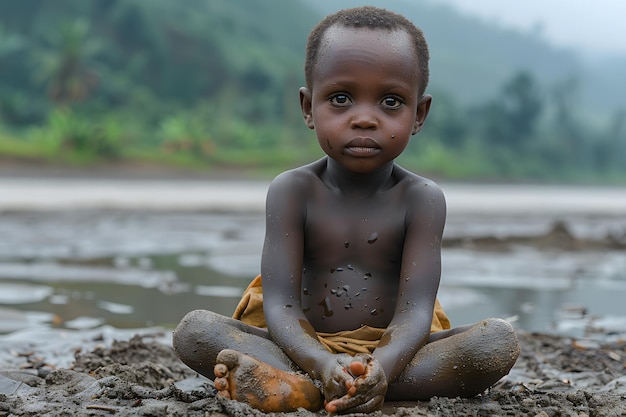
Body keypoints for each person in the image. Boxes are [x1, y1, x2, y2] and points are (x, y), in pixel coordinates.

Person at [173, 6, 520, 414]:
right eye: (341, 99)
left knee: (495, 342)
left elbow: (415, 312)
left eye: (391, 102)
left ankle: (307, 392)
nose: (364, 119)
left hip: (396, 355)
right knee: (195, 331)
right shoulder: (292, 191)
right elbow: (281, 305)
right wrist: (321, 362)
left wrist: (381, 368)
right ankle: (324, 382)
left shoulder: (422, 199)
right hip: (298, 348)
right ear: (308, 107)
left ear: (418, 115)